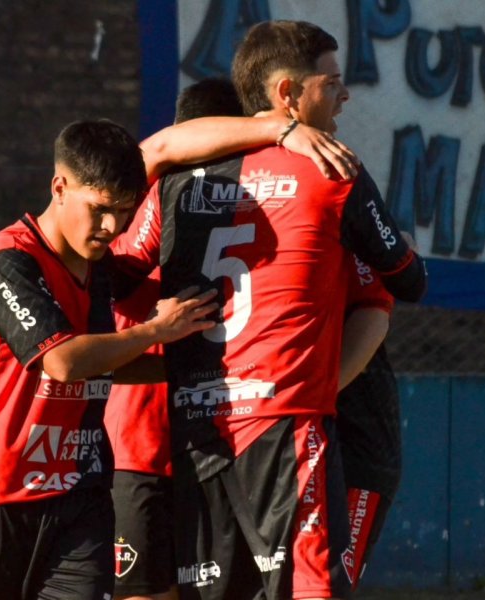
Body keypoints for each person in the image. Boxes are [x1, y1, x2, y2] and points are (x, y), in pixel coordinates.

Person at [113, 19, 427, 600]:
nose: (344, 94)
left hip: (199, 422)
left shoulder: (169, 188)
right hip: (285, 421)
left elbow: (115, 269)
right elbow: (407, 280)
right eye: (332, 82)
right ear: (286, 94)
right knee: (309, 589)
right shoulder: (332, 171)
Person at [0, 119, 220, 600]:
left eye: (123, 213)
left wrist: (192, 368)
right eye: (100, 209)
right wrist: (154, 332)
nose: (112, 227)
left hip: (78, 492)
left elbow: (105, 363)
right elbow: (62, 360)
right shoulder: (5, 261)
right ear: (59, 187)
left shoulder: (99, 268)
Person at [105, 78, 246, 600]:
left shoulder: (253, 195)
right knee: (144, 590)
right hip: (141, 440)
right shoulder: (152, 194)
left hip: (213, 436)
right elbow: (112, 278)